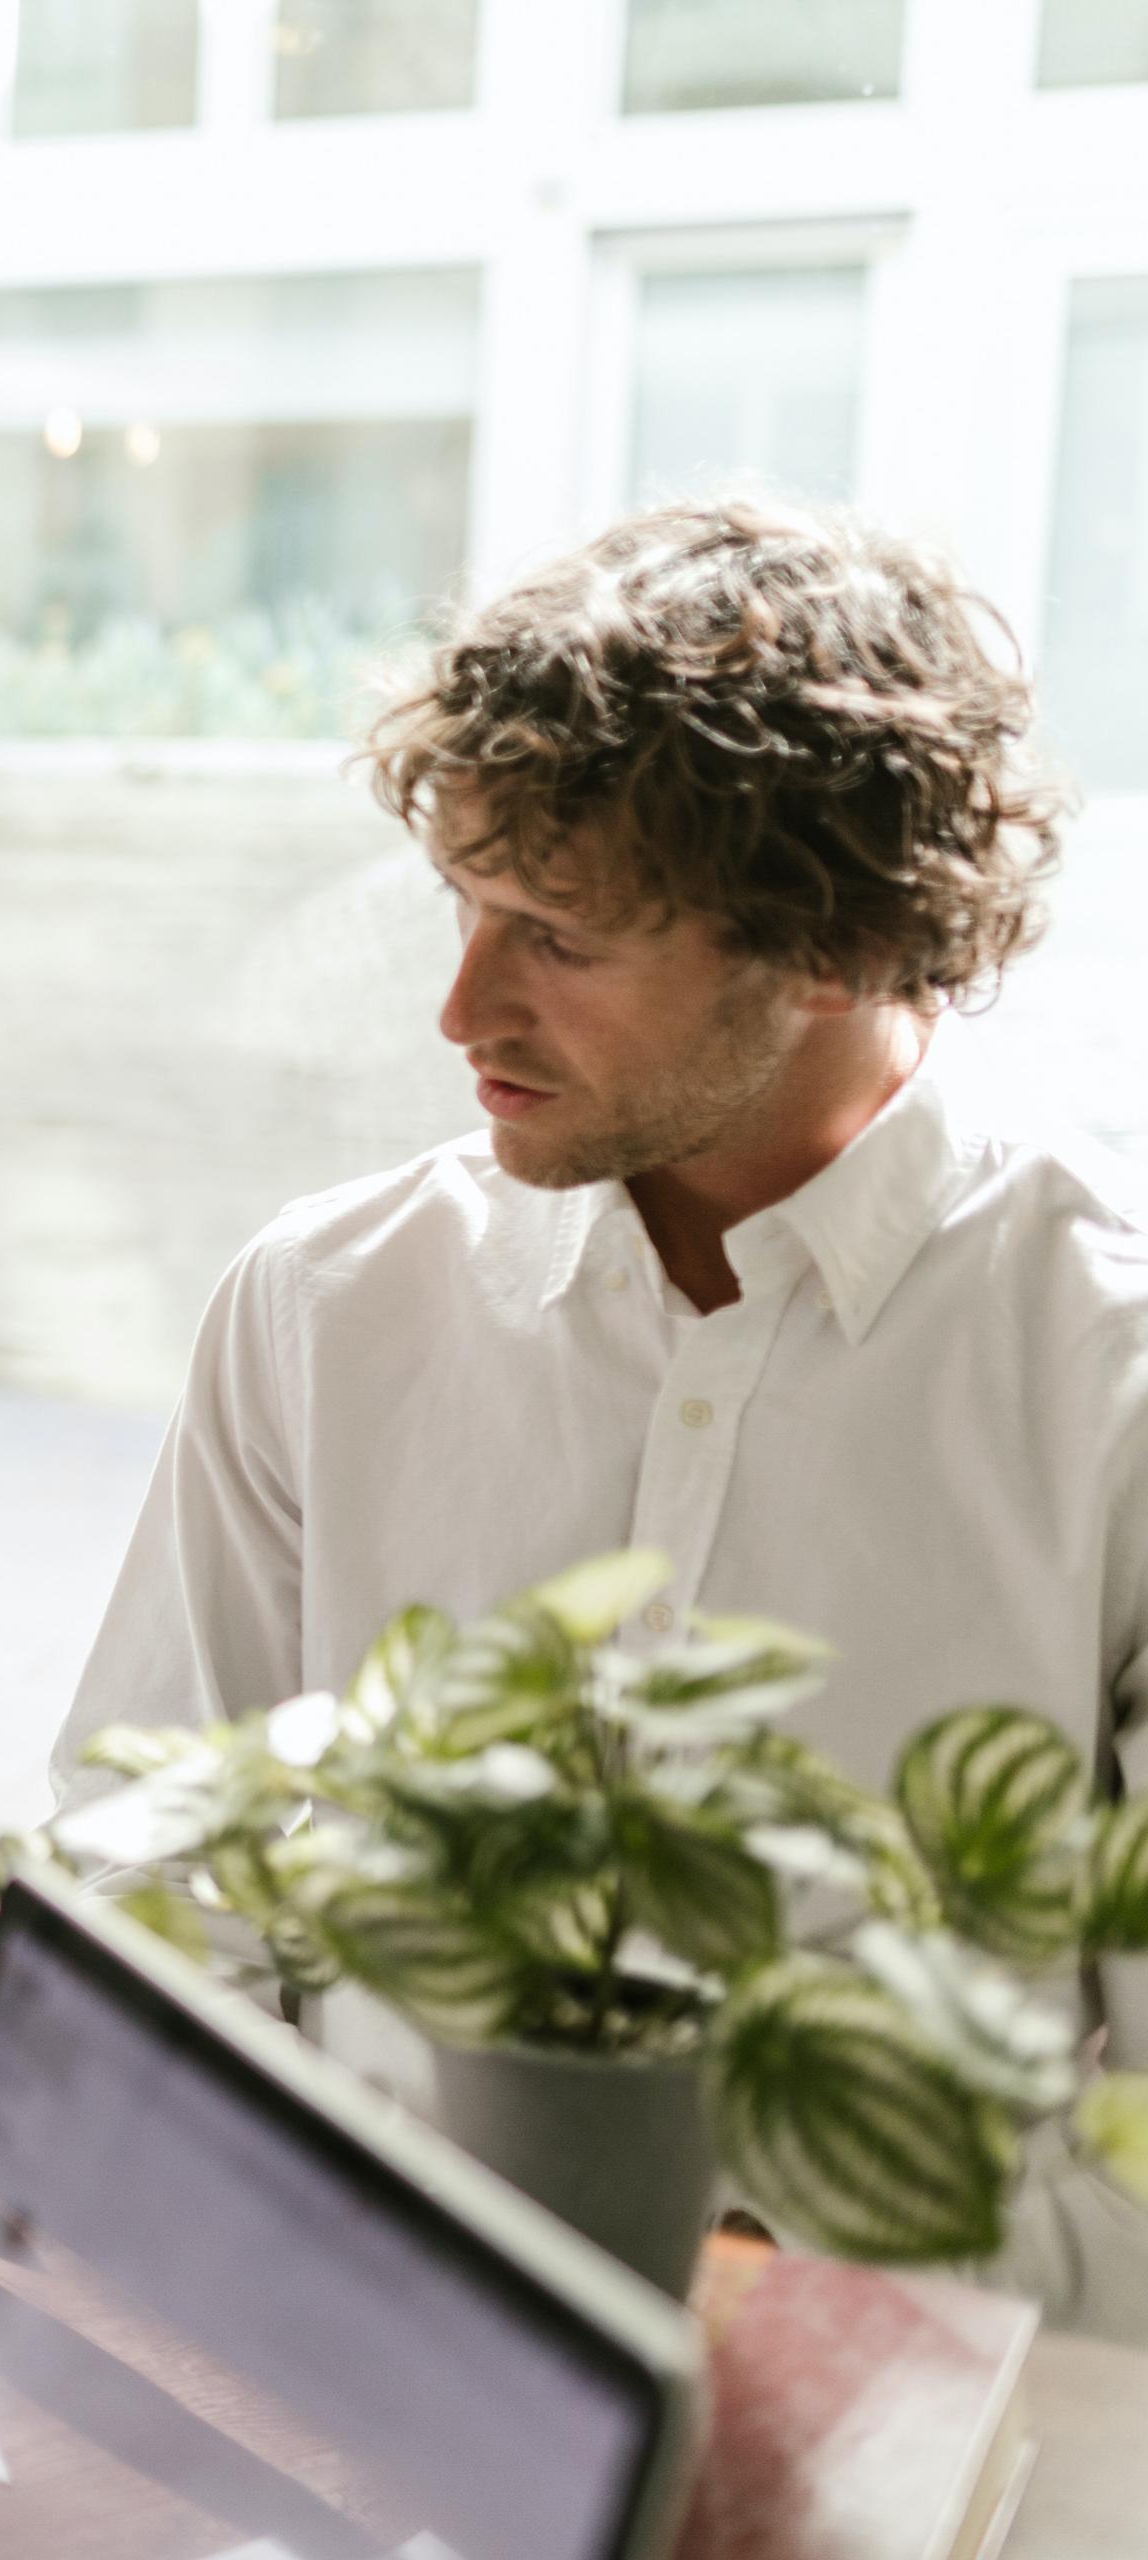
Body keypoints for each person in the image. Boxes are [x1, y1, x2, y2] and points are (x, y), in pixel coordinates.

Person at [58, 498, 1148, 2329]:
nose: (462, 1005)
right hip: (353, 2395)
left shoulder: (1105, 1381)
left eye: (557, 936)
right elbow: (149, 1898)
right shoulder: (328, 1307)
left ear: (833, 944)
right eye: (467, 910)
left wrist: (751, 2319)